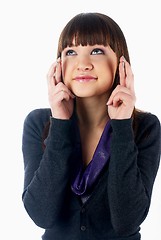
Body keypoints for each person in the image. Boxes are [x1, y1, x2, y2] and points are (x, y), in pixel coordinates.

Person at [22, 12, 161, 240]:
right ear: (58, 66)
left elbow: (127, 221)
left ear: (121, 62)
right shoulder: (39, 123)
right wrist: (59, 123)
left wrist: (122, 126)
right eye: (71, 52)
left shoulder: (145, 127)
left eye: (96, 51)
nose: (82, 64)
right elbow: (41, 215)